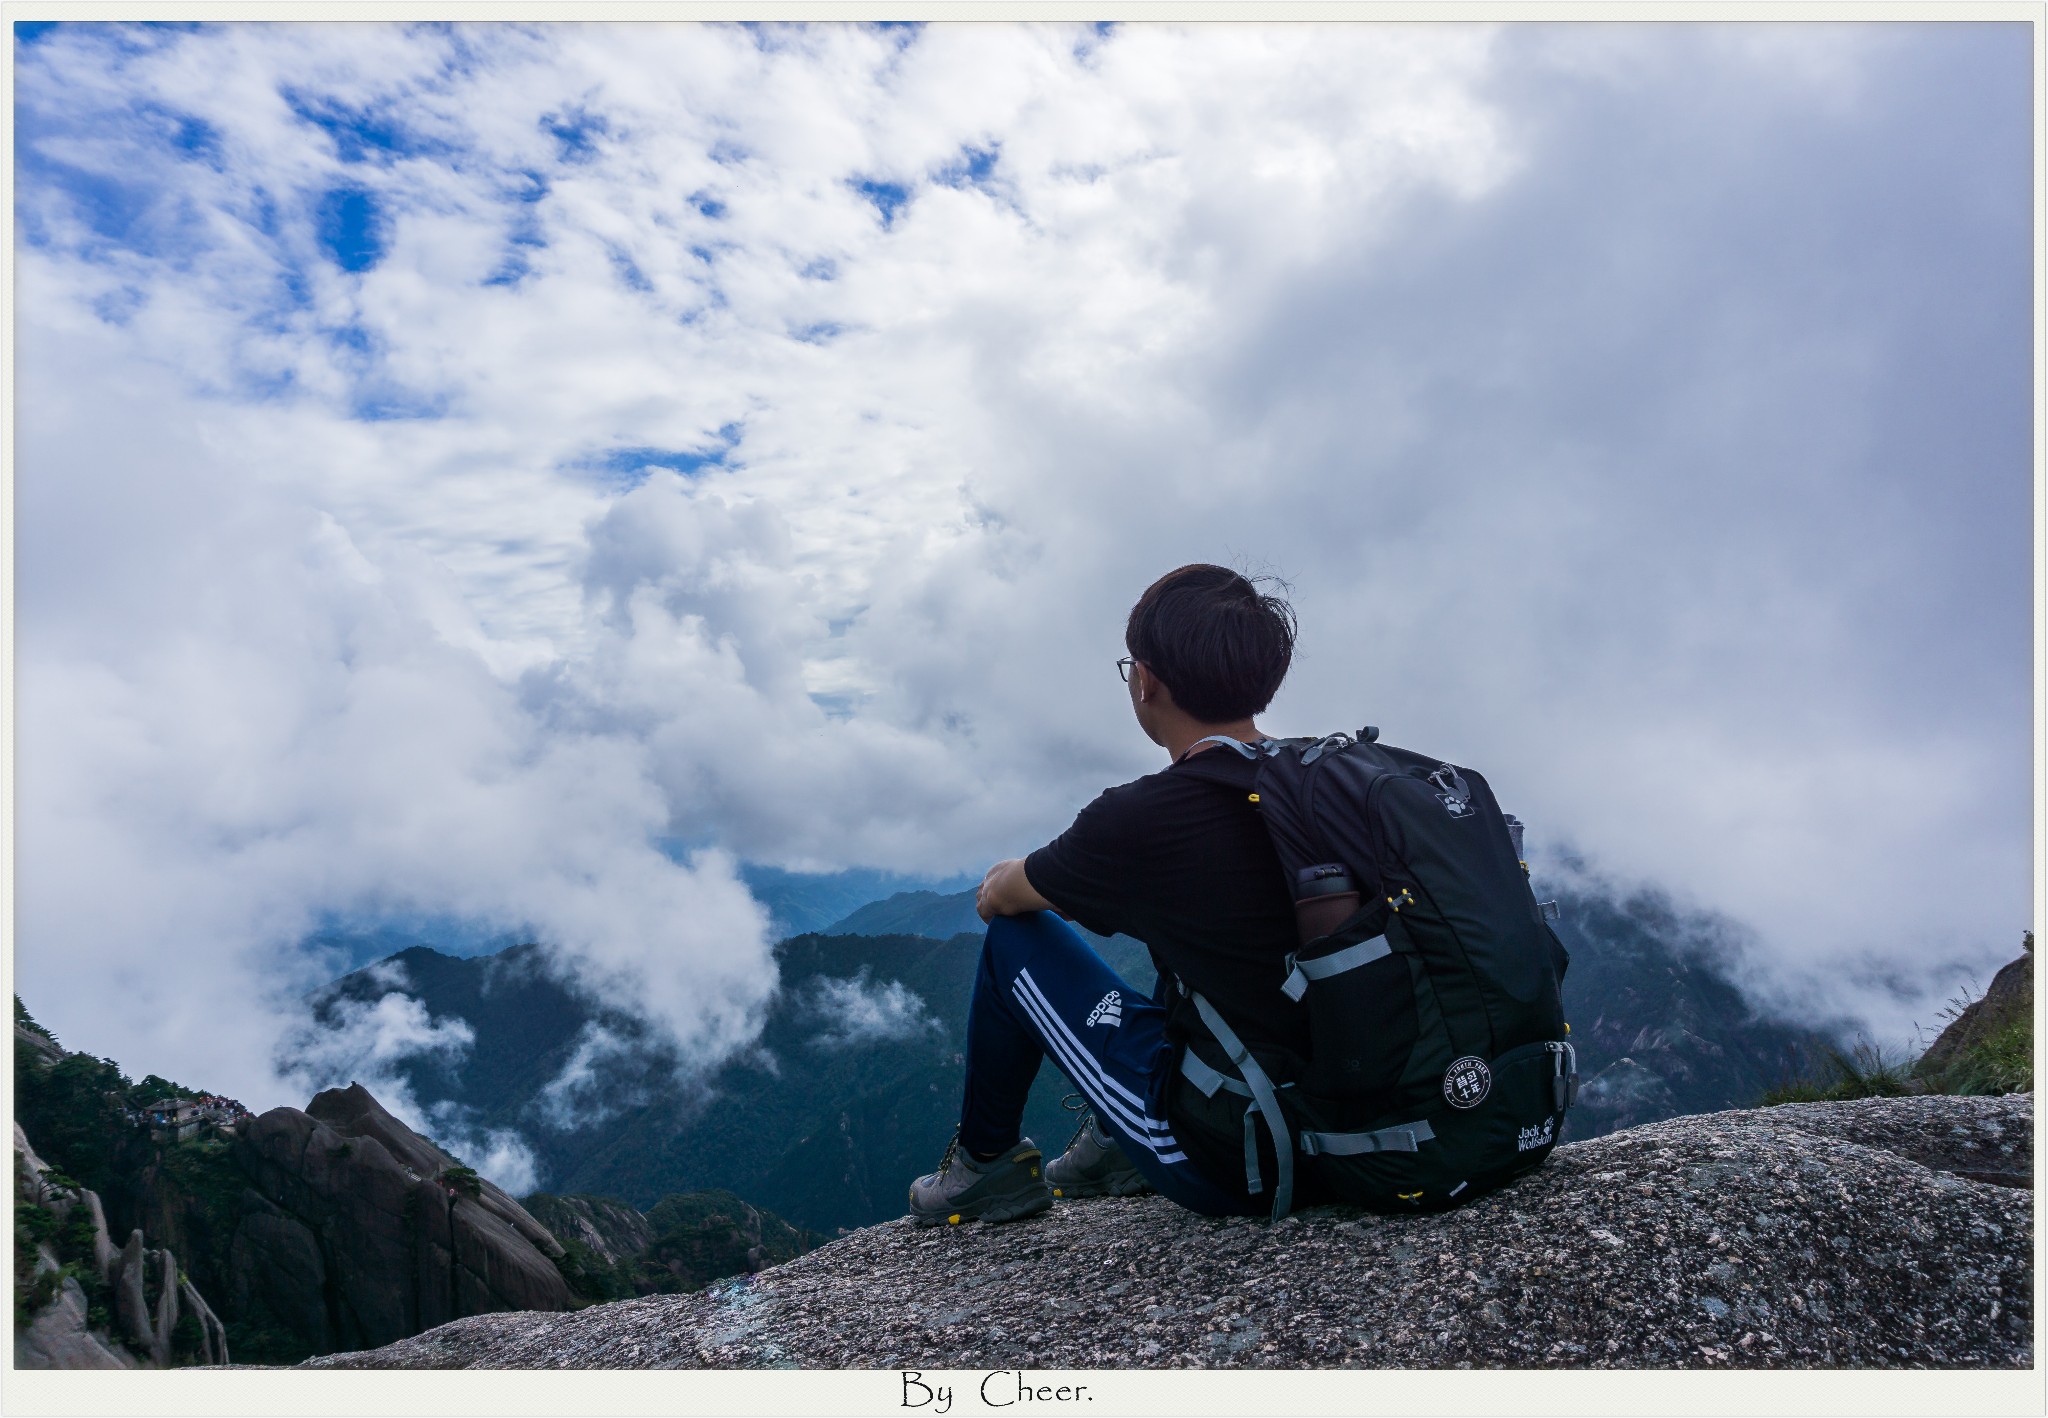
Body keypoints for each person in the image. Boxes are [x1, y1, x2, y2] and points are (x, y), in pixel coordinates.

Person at [907, 564, 1305, 1224]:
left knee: (1013, 939)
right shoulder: (1330, 780)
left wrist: (1039, 876)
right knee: (1189, 937)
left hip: (1242, 1159)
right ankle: (1112, 1143)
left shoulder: (1144, 817)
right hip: (1375, 1120)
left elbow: (999, 900)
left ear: (1145, 681)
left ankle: (987, 1168)